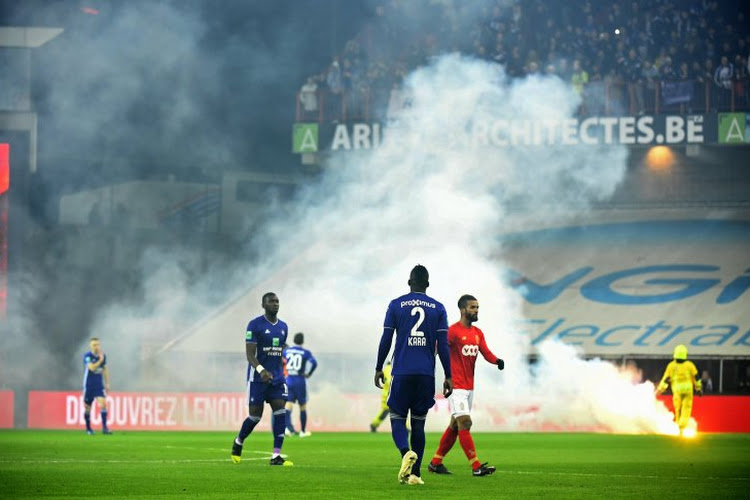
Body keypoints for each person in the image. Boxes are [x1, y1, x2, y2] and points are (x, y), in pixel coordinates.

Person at [375, 264, 453, 486]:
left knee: (397, 417)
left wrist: (379, 366)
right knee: (418, 425)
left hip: (402, 372)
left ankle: (405, 453)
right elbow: (444, 346)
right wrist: (448, 375)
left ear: (409, 283)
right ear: (428, 284)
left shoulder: (396, 305)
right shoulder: (438, 308)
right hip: (426, 374)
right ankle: (415, 475)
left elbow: (386, 338)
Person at [428, 294, 503, 477]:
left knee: (455, 425)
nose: (476, 311)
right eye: (472, 307)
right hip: (457, 387)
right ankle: (476, 466)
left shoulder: (477, 333)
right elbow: (439, 349)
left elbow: (485, 352)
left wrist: (497, 361)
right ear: (462, 310)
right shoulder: (452, 331)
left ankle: (435, 462)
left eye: (477, 307)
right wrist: (432, 366)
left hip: (469, 388)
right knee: (465, 422)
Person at [231, 292, 293, 466]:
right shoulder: (254, 325)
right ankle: (238, 441)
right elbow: (250, 354)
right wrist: (261, 370)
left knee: (281, 411)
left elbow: (278, 351)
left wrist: (277, 369)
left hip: (277, 379)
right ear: (263, 305)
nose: (275, 304)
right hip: (257, 379)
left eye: (277, 301)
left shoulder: (283, 327)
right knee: (255, 417)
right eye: (271, 301)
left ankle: (276, 456)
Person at [655, 344, 702, 436]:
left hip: (677, 391)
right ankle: (682, 427)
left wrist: (660, 390)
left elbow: (666, 379)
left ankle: (679, 429)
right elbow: (696, 377)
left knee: (678, 410)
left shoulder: (671, 366)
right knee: (686, 410)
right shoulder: (690, 365)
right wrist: (698, 388)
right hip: (688, 391)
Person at [283, 332, 318, 437]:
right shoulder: (305, 352)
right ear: (303, 341)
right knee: (302, 406)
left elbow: (281, 358)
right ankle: (302, 431)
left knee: (288, 405)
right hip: (300, 380)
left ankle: (286, 429)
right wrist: (309, 374)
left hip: (289, 379)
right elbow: (314, 363)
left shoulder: (287, 351)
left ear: (294, 340)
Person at [82, 337, 112, 435]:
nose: (96, 347)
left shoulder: (102, 356)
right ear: (90, 346)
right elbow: (91, 368)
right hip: (89, 385)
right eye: (94, 345)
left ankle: (104, 427)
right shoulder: (87, 356)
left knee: (103, 404)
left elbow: (105, 370)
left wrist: (107, 383)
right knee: (88, 407)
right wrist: (100, 360)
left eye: (98, 344)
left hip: (99, 385)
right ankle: (88, 428)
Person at [370, 360, 392, 432]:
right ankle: (374, 424)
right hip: (390, 395)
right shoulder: (389, 369)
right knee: (400, 411)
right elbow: (389, 381)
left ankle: (374, 424)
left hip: (386, 395)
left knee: (386, 412)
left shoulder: (386, 369)